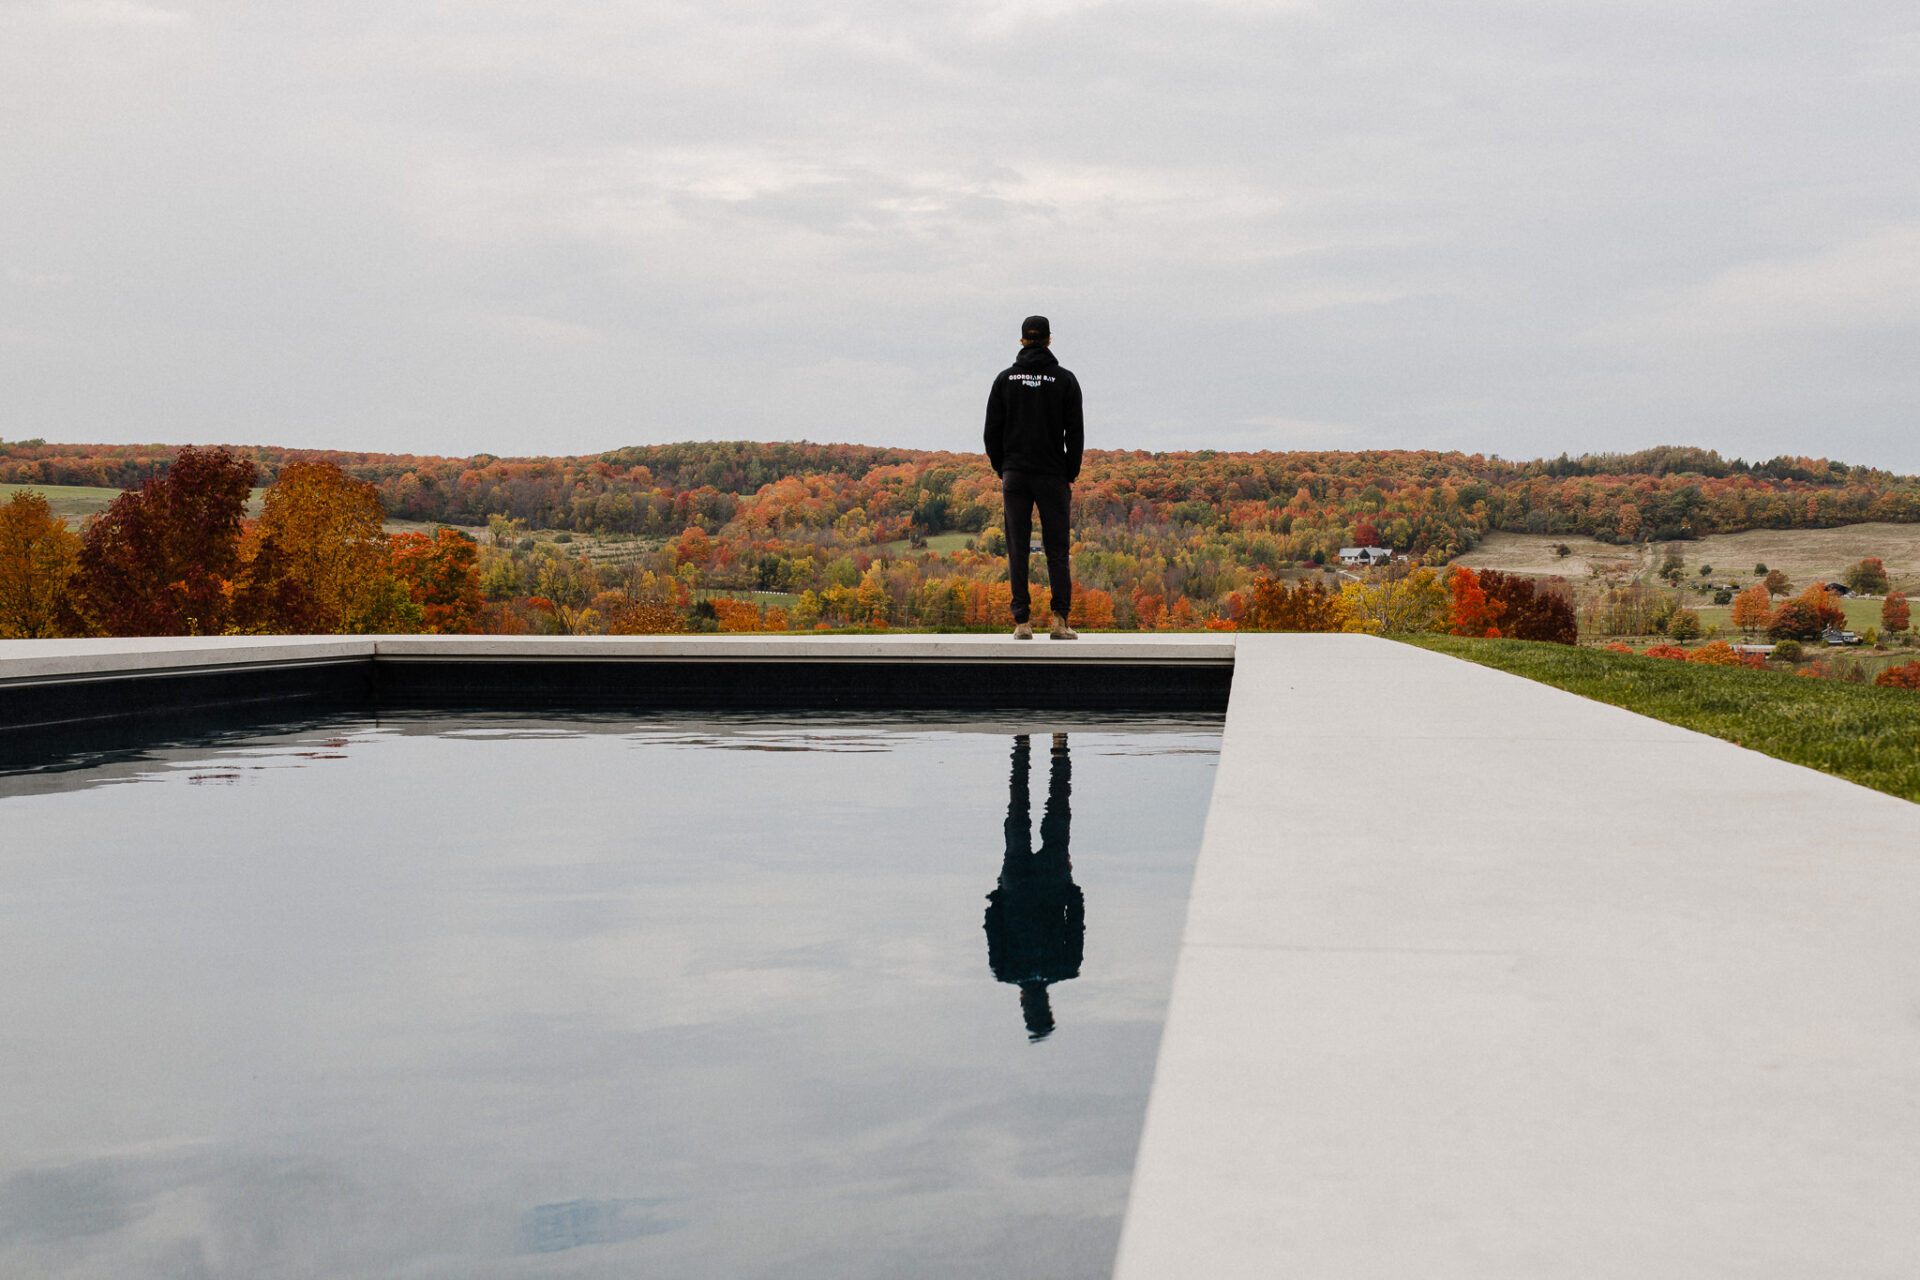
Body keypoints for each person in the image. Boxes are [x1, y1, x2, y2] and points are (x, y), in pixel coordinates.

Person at [984, 315, 1083, 639]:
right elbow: (1075, 435)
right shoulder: (1065, 380)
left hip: (1016, 475)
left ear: (1022, 341)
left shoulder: (1004, 380)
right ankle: (1059, 622)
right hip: (1052, 475)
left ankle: (1022, 623)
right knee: (1057, 549)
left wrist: (1005, 468)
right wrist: (1069, 472)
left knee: (1018, 548)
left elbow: (991, 433)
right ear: (1050, 340)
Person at [984, 733, 1084, 1042]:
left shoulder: (1065, 969)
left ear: (1049, 1007)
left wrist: (1072, 889)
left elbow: (1076, 925)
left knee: (1058, 809)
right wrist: (999, 894)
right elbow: (992, 927)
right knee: (1018, 813)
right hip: (1016, 886)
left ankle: (1058, 746)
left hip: (1053, 883)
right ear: (1027, 1006)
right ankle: (1022, 746)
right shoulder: (1006, 971)